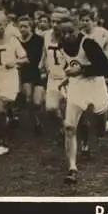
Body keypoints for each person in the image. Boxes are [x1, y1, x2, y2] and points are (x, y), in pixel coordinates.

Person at [58, 15, 108, 184]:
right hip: (76, 87)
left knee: (100, 128)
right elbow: (71, 65)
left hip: (96, 85)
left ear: (78, 28)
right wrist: (69, 77)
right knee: (69, 126)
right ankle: (72, 168)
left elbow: (105, 67)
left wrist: (81, 70)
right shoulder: (62, 44)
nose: (67, 36)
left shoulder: (88, 43)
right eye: (63, 32)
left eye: (70, 32)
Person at [0, 11, 28, 155]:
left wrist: (15, 62)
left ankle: (3, 142)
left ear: (5, 25)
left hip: (9, 78)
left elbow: (25, 59)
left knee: (0, 110)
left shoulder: (12, 41)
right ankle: (5, 124)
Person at [39, 10, 67, 145]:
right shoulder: (46, 35)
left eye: (59, 22)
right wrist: (42, 65)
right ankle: (62, 128)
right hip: (53, 77)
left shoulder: (69, 36)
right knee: (51, 108)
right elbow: (45, 53)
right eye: (53, 21)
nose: (55, 25)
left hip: (68, 77)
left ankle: (70, 133)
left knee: (69, 108)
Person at [17, 15, 45, 134]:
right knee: (28, 99)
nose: (22, 29)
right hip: (24, 72)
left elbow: (34, 57)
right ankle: (36, 122)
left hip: (37, 71)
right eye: (21, 27)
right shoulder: (17, 40)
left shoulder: (38, 39)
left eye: (25, 26)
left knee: (37, 102)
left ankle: (40, 118)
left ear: (31, 27)